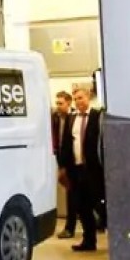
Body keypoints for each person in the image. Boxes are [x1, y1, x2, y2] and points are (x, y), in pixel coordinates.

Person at [56, 88, 104, 252]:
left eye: (81, 98)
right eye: (75, 99)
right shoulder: (71, 118)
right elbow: (66, 144)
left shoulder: (98, 117)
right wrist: (63, 167)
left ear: (88, 98)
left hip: (94, 169)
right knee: (81, 206)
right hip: (76, 169)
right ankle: (89, 241)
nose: (78, 101)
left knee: (99, 203)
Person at [51, 91, 78, 238]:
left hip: (74, 160)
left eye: (61, 103)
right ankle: (70, 226)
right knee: (71, 193)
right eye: (57, 103)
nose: (58, 106)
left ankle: (70, 227)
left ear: (68, 103)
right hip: (61, 156)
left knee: (74, 194)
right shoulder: (55, 118)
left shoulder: (74, 117)